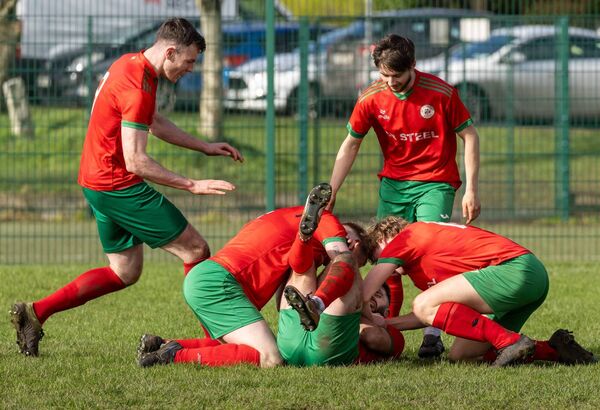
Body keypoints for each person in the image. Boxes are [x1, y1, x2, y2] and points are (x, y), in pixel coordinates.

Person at [10, 17, 243, 357]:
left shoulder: (131, 65)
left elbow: (153, 121)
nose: (192, 69)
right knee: (195, 250)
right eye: (190, 61)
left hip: (95, 180)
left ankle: (36, 313)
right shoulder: (137, 86)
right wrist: (191, 184)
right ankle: (213, 342)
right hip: (117, 183)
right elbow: (136, 161)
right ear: (171, 52)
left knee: (124, 271)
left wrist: (204, 146)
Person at [326, 34, 482, 358]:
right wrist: (333, 189)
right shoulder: (371, 96)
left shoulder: (440, 93)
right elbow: (351, 143)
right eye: (384, 76)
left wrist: (471, 189)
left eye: (396, 76)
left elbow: (469, 135)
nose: (391, 82)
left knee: (428, 255)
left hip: (435, 183)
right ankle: (386, 330)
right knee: (388, 259)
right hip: (394, 186)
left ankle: (432, 334)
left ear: (412, 66)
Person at [137, 183, 366, 368]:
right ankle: (173, 357)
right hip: (222, 282)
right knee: (270, 357)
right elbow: (342, 260)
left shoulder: (282, 216)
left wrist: (305, 245)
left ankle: (164, 344)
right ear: (353, 240)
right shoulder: (329, 222)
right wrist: (350, 259)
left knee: (234, 347)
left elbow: (288, 286)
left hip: (206, 276)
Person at [361, 216, 596, 366]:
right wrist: (387, 324)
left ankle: (510, 341)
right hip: (530, 278)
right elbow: (431, 313)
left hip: (515, 269)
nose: (380, 263)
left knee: (423, 302)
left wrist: (360, 314)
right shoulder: (420, 266)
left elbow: (366, 292)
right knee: (462, 355)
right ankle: (555, 349)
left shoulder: (408, 235)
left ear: (386, 237)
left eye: (375, 255)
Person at [279, 222, 405, 366]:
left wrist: (367, 316)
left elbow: (372, 336)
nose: (369, 294)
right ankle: (306, 236)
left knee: (344, 260)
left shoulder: (394, 335)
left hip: (317, 348)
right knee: (311, 267)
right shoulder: (355, 304)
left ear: (387, 310)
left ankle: (316, 303)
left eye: (378, 295)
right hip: (297, 332)